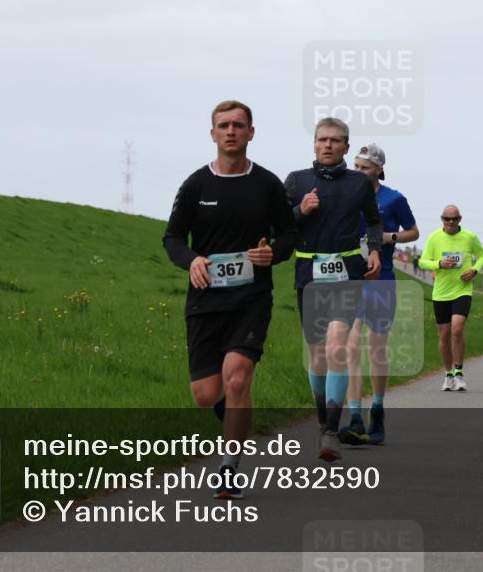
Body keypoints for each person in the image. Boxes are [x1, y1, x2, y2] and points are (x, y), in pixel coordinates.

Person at [163, 100, 296, 499]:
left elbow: (289, 235)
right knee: (207, 395)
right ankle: (235, 417)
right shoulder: (195, 185)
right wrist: (191, 261)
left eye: (239, 125)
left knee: (237, 378)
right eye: (224, 125)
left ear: (251, 133)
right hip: (205, 299)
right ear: (213, 134)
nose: (231, 131)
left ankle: (229, 468)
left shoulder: (268, 184)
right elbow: (171, 238)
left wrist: (273, 252)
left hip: (251, 297)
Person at [285, 117, 382, 462]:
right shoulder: (297, 181)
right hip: (309, 273)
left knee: (337, 344)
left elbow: (373, 220)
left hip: (347, 272)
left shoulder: (359, 182)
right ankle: (322, 419)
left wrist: (373, 250)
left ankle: (330, 430)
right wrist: (300, 209)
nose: (327, 145)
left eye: (335, 140)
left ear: (345, 146)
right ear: (314, 144)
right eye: (322, 139)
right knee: (317, 354)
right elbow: (278, 223)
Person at [339, 143, 418, 446]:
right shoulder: (346, 195)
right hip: (350, 278)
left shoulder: (394, 198)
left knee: (376, 350)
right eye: (355, 166)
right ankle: (355, 416)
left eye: (365, 167)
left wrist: (388, 236)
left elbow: (413, 231)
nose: (358, 172)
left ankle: (378, 408)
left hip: (381, 279)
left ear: (379, 169)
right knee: (350, 348)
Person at [418, 205, 483, 391]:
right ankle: (448, 375)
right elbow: (422, 261)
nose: (450, 222)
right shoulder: (434, 238)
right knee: (444, 334)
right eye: (446, 219)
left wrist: (474, 270)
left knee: (457, 329)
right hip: (440, 293)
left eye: (454, 219)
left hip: (462, 290)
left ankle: (459, 373)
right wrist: (439, 263)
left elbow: (482, 256)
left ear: (460, 219)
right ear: (442, 219)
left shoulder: (470, 237)